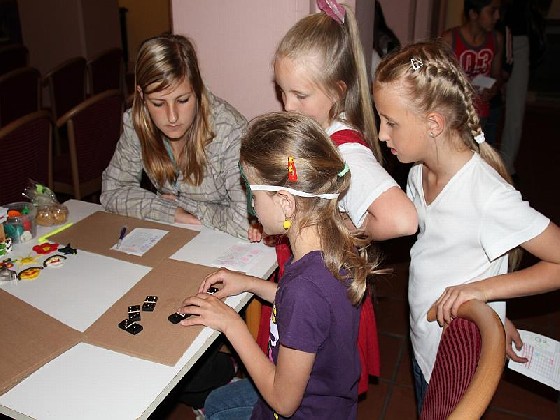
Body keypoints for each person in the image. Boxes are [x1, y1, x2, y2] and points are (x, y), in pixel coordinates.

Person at [373, 40, 560, 414]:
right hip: (425, 341)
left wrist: (482, 292)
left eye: (391, 122)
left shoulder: (485, 196)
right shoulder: (418, 171)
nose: (381, 134)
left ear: (434, 124)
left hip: (457, 357)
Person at [255, 0, 418, 395]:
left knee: (308, 395)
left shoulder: (346, 152)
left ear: (338, 91)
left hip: (321, 298)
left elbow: (402, 219)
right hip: (298, 283)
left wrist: (341, 229)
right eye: (282, 93)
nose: (288, 107)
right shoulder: (315, 136)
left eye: (300, 95)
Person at [178, 111, 380, 419]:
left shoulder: (305, 289)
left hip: (297, 409)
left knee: (215, 412)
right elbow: (312, 310)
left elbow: (284, 402)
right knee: (219, 401)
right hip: (329, 402)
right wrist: (250, 283)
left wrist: (231, 323)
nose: (252, 204)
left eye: (251, 191)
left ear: (285, 202)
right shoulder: (331, 246)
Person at [101, 34, 250, 239]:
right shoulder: (137, 124)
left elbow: (244, 222)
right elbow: (112, 192)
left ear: (197, 90)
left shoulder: (229, 131)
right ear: (142, 96)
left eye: (182, 100)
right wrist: (170, 212)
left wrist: (182, 204)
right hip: (176, 236)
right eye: (158, 104)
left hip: (226, 244)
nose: (172, 117)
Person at [441, 0, 503, 146]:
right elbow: (428, 65)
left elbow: (497, 75)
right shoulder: (450, 39)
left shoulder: (496, 39)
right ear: (473, 14)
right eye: (491, 11)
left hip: (481, 113)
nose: (497, 17)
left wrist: (493, 88)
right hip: (455, 112)